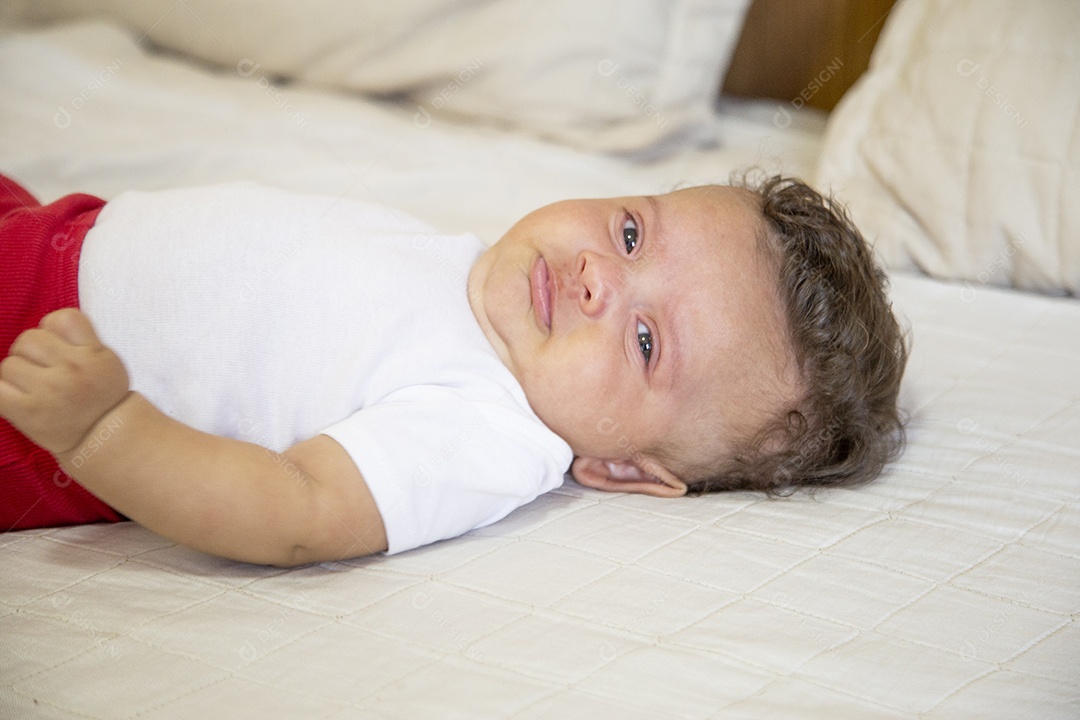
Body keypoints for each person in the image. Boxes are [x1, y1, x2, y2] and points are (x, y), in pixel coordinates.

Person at [0, 172, 907, 566]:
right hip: (58, 229)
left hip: (42, 377)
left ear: (625, 469)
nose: (598, 276)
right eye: (632, 233)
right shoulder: (476, 272)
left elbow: (296, 513)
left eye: (645, 342)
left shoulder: (488, 432)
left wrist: (100, 428)